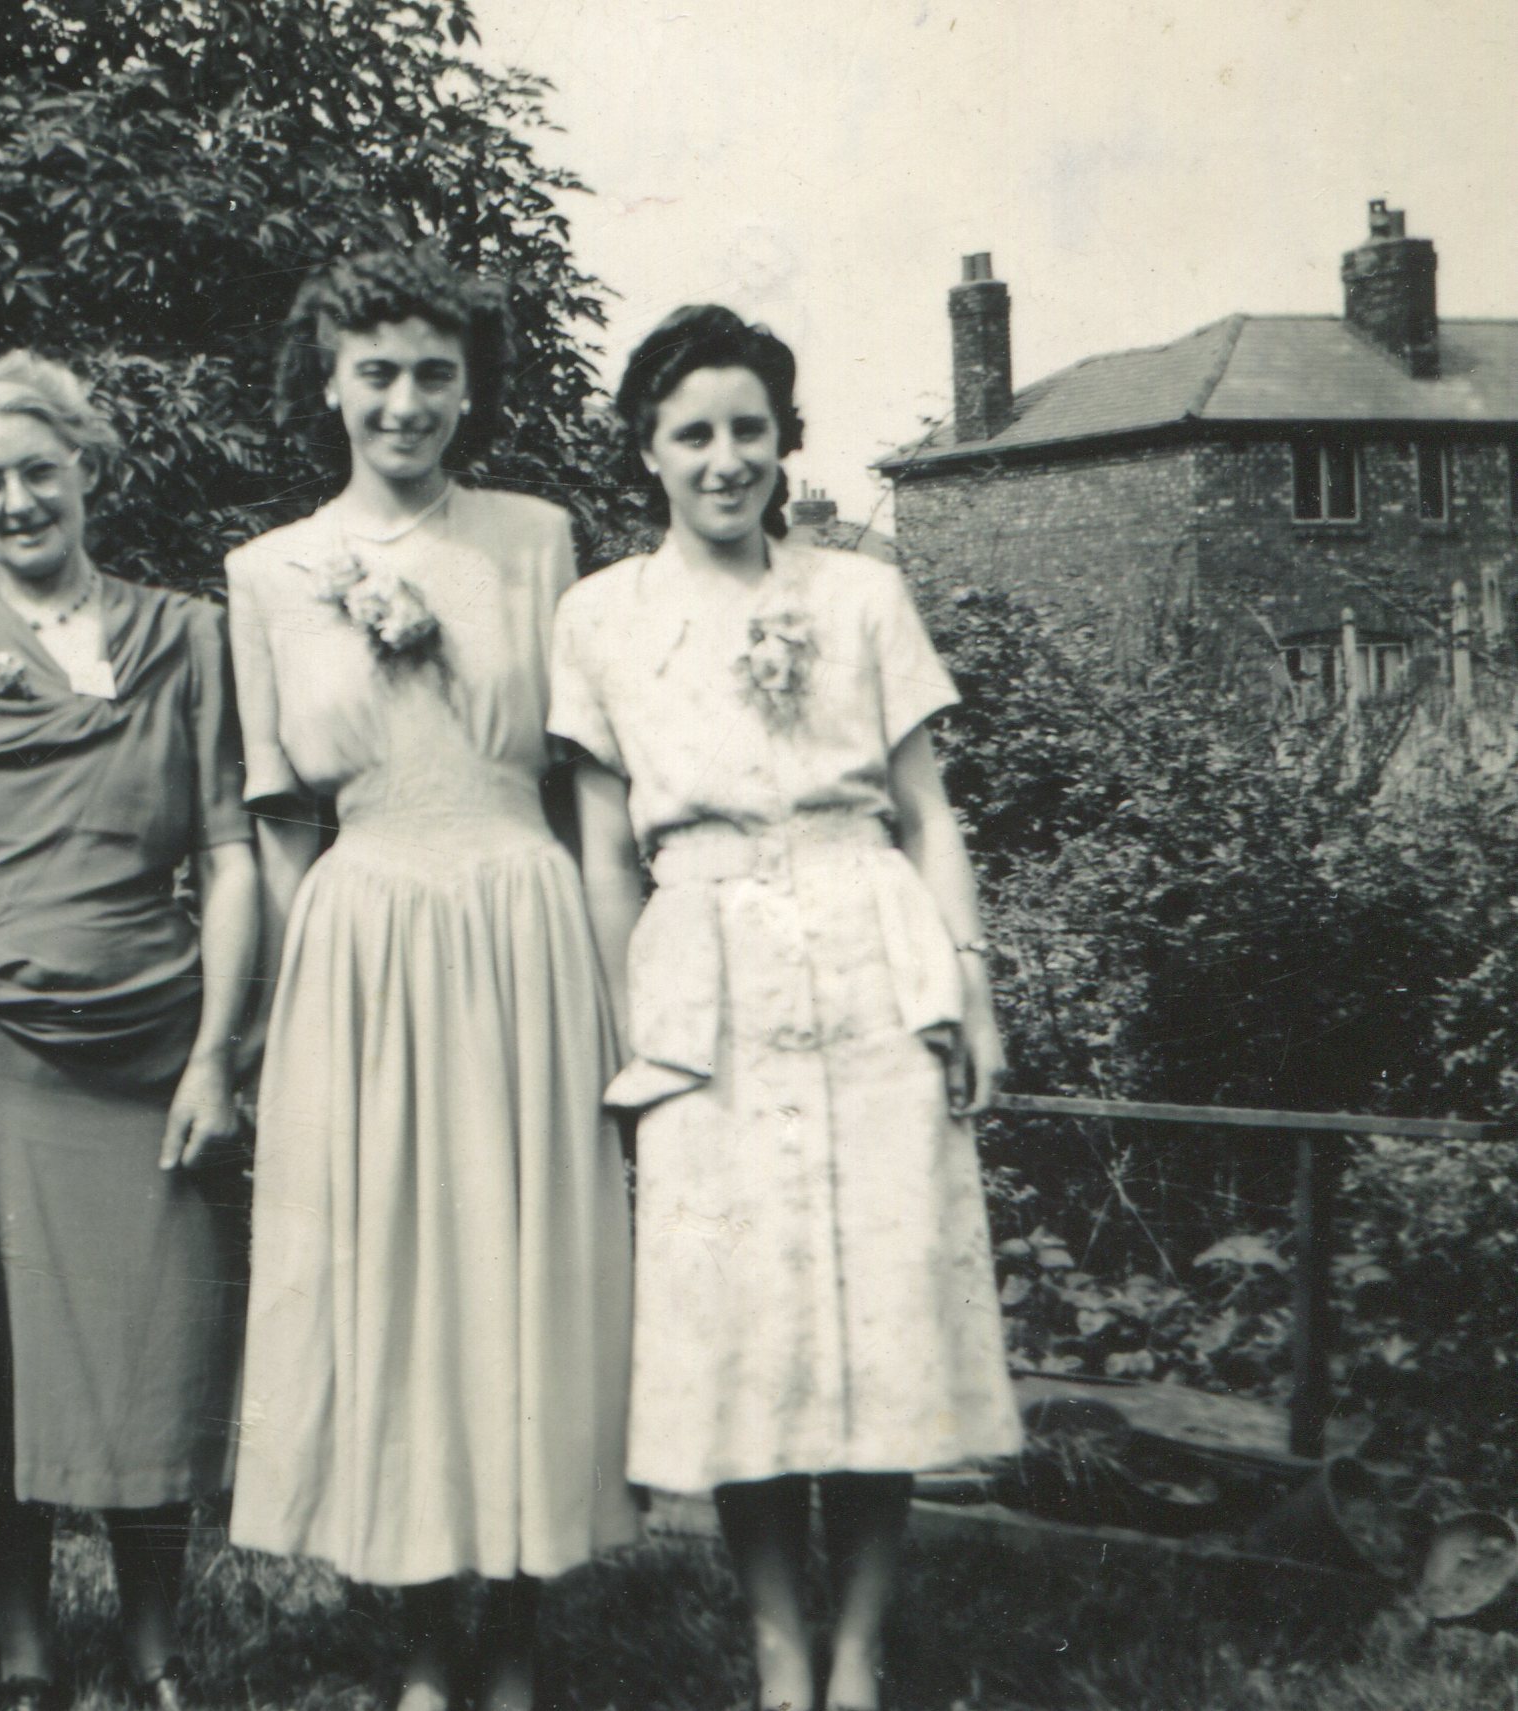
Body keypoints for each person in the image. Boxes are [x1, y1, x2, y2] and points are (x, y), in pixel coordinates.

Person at [549, 306, 1023, 1711]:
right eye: (691, 431)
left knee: (878, 1309)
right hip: (700, 977)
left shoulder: (861, 593)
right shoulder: (599, 615)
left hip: (866, 944)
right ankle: (773, 1643)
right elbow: (594, 854)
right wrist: (620, 1030)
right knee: (743, 1323)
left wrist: (969, 987)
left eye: (747, 427)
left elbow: (928, 811)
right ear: (645, 450)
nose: (722, 456)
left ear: (781, 438)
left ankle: (858, 1649)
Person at [223, 250, 636, 1711]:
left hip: (519, 914)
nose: (404, 401)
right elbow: (277, 816)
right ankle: (417, 1636)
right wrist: (293, 1013)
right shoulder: (264, 569)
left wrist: (608, 995)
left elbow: (584, 780)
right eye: (376, 371)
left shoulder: (534, 536)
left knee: (516, 1258)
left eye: (433, 373)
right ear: (325, 380)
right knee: (388, 1266)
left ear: (470, 387)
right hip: (361, 935)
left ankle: (515, 1626)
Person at [0, 350, 262, 1711]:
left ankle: (153, 1640)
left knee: (154, 1344)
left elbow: (224, 841)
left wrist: (218, 1049)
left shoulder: (186, 630)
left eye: (39, 468)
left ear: (86, 466)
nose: (16, 499)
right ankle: (23, 1639)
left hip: (148, 1038)